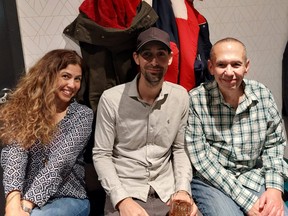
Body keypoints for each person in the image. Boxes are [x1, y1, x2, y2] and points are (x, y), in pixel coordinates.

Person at [92, 27, 198, 216]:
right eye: (147, 54)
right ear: (136, 58)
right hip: (126, 192)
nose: (154, 62)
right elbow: (102, 154)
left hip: (167, 193)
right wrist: (122, 200)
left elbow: (180, 148)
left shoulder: (180, 96)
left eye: (161, 55)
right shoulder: (111, 99)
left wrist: (183, 190)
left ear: (170, 59)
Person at [186, 37, 288, 216]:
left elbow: (274, 145)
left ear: (246, 66)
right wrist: (247, 202)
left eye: (236, 64)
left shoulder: (263, 95)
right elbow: (202, 160)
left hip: (254, 177)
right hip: (212, 183)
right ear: (210, 67)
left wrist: (274, 189)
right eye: (221, 65)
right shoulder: (196, 100)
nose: (229, 72)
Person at [0, 49, 94, 216]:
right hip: (24, 199)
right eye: (66, 76)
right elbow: (14, 156)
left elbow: (60, 164)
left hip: (68, 197)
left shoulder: (82, 115)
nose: (72, 85)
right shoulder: (23, 111)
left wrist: (27, 205)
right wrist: (13, 203)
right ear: (48, 75)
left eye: (77, 79)